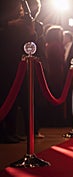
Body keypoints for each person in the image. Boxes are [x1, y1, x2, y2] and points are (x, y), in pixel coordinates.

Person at [0, 0, 41, 143]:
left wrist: (30, 30)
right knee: (4, 94)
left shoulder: (22, 5)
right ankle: (3, 132)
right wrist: (11, 24)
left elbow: (31, 37)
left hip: (15, 57)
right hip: (4, 56)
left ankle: (10, 130)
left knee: (13, 95)